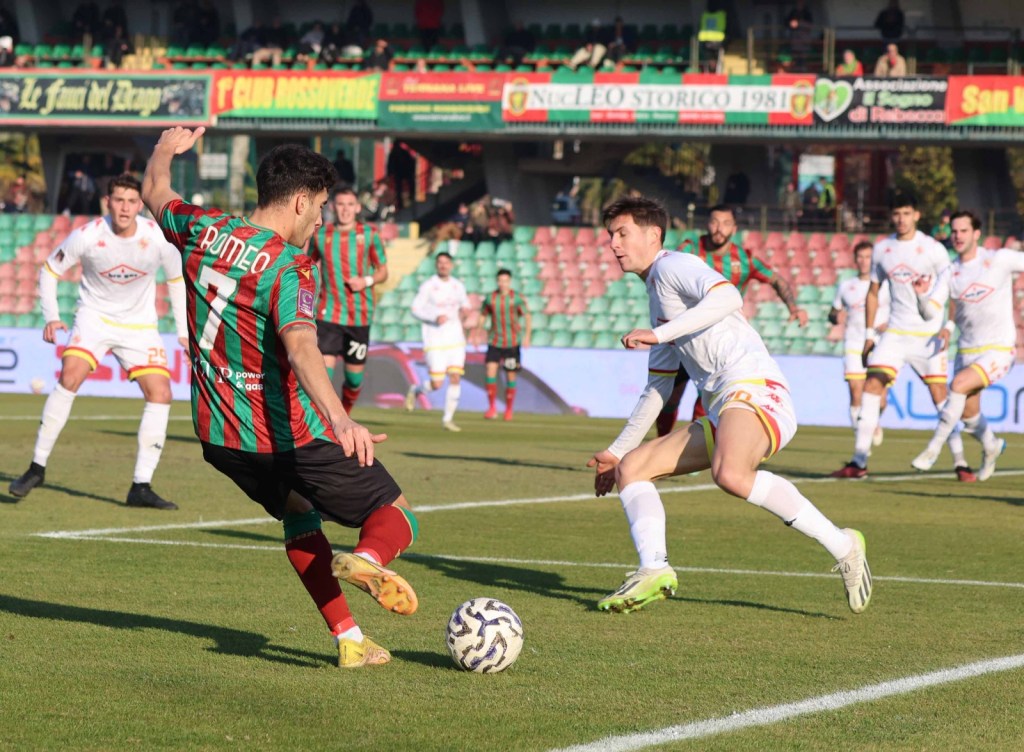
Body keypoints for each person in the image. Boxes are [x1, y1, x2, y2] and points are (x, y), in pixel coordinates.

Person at [143, 128, 420, 669]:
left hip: (218, 437)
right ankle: (367, 559)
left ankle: (349, 640)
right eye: (317, 207)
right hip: (284, 434)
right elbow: (300, 344)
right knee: (397, 512)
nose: (319, 220)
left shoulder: (200, 226)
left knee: (299, 516)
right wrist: (341, 420)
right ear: (299, 200)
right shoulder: (290, 266)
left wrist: (165, 148)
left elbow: (155, 189)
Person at [586, 196, 871, 616]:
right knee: (633, 469)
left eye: (622, 233)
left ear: (653, 235)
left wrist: (659, 336)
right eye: (611, 235)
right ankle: (653, 569)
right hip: (724, 405)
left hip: (755, 388)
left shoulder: (672, 265)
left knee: (731, 474)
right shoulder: (656, 296)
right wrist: (617, 450)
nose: (613, 244)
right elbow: (658, 389)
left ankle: (844, 545)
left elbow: (728, 297)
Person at [8, 174, 187, 510]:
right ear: (108, 202)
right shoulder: (87, 237)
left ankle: (141, 486)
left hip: (138, 325)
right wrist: (51, 316)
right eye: (119, 200)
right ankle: (37, 467)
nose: (125, 207)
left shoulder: (157, 238)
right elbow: (49, 270)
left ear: (140, 205)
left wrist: (184, 332)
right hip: (94, 319)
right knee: (70, 374)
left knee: (161, 393)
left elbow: (176, 279)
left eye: (132, 201)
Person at [831, 194, 975, 481]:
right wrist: (871, 334)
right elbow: (873, 292)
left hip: (928, 335)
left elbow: (954, 287)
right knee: (872, 385)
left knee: (940, 398)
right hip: (895, 333)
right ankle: (859, 461)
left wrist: (947, 325)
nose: (901, 218)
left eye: (907, 213)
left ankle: (961, 462)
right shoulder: (883, 249)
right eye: (897, 213)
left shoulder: (933, 249)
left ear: (917, 215)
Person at [655, 204, 808, 436]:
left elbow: (776, 279)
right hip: (685, 337)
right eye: (715, 222)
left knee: (708, 399)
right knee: (670, 397)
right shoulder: (690, 249)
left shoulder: (744, 259)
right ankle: (662, 443)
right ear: (707, 224)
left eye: (725, 223)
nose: (719, 229)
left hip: (722, 343)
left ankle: (699, 455)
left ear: (734, 228)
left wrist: (794, 307)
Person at [909, 211, 1021, 481]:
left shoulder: (999, 259)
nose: (957, 236)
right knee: (970, 416)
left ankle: (933, 449)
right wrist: (922, 295)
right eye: (954, 232)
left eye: (963, 231)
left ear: (976, 234)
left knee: (957, 386)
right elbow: (929, 312)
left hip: (998, 349)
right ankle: (991, 445)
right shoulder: (950, 272)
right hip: (966, 351)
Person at [310, 186, 388, 414]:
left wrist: (366, 280)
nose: (345, 209)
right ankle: (322, 424)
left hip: (359, 316)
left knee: (354, 380)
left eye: (349, 205)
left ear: (357, 208)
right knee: (323, 376)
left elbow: (383, 272)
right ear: (333, 207)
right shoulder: (321, 234)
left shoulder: (370, 234)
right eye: (340, 204)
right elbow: (310, 264)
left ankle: (345, 417)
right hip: (328, 314)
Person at [828, 241, 891, 445]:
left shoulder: (886, 286)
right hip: (854, 344)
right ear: (855, 259)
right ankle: (861, 442)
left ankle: (873, 423)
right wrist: (835, 317)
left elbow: (900, 310)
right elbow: (833, 311)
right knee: (856, 390)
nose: (864, 261)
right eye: (861, 257)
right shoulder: (847, 286)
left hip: (881, 344)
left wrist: (888, 323)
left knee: (880, 400)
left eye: (868, 257)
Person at [404, 252, 470, 431]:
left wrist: (466, 313)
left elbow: (465, 306)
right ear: (436, 265)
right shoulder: (428, 286)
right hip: (435, 340)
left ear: (451, 265)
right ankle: (416, 390)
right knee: (437, 384)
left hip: (456, 340)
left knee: (455, 377)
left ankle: (448, 419)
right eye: (440, 263)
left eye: (446, 263)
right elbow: (415, 309)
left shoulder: (458, 286)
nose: (443, 266)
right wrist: (433, 316)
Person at [480, 268, 532, 421]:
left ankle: (509, 410)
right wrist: (477, 332)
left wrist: (527, 335)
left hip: (512, 343)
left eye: (505, 281)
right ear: (497, 281)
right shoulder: (490, 298)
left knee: (510, 375)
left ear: (509, 282)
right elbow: (483, 314)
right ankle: (492, 408)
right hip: (494, 341)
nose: (502, 284)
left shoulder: (516, 298)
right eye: (500, 281)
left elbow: (527, 316)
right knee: (490, 371)